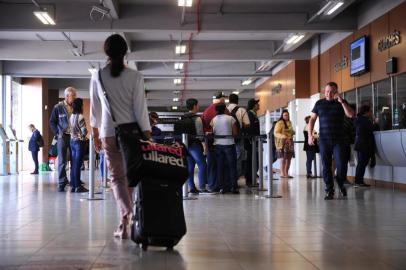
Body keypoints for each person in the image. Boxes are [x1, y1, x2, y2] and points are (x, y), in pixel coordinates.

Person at [90, 34, 151, 239]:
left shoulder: (97, 75)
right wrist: (147, 134)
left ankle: (125, 218)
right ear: (125, 52)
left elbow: (95, 109)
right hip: (131, 132)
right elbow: (140, 109)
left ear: (106, 52)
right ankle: (129, 216)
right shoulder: (135, 76)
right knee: (131, 177)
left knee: (116, 178)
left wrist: (95, 133)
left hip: (108, 132)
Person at [308, 82, 355, 200]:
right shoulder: (319, 103)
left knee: (342, 164)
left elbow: (350, 114)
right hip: (324, 139)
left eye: (332, 92)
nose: (329, 94)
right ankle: (329, 190)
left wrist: (341, 101)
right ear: (324, 92)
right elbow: (312, 119)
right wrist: (310, 135)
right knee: (326, 165)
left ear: (336, 92)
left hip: (340, 139)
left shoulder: (341, 103)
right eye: (327, 91)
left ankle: (340, 181)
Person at [49, 86, 77, 192]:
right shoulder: (58, 107)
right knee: (62, 161)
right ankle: (62, 182)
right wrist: (58, 132)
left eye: (75, 96)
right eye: (73, 96)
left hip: (74, 136)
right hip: (63, 136)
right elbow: (52, 122)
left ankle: (74, 181)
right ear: (66, 96)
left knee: (75, 159)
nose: (74, 98)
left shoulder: (75, 106)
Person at [201, 92, 229, 192]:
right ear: (221, 99)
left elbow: (203, 127)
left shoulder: (206, 111)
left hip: (209, 141)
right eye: (224, 99)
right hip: (223, 142)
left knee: (211, 164)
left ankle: (212, 185)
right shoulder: (224, 110)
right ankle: (223, 185)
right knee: (223, 164)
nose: (225, 101)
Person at [211, 103, 239, 194]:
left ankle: (222, 187)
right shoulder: (230, 118)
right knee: (232, 167)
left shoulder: (213, 120)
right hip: (229, 144)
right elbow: (235, 133)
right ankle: (233, 187)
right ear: (225, 109)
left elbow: (213, 132)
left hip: (218, 145)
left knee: (220, 167)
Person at [184, 98, 208, 193]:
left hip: (185, 144)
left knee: (190, 166)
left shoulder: (183, 117)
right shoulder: (197, 119)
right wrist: (204, 143)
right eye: (197, 105)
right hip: (195, 145)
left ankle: (192, 187)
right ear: (194, 106)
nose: (198, 106)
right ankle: (202, 187)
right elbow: (200, 134)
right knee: (202, 165)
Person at [227, 93, 250, 178]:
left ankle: (228, 177)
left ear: (229, 101)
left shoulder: (225, 109)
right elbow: (247, 124)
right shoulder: (241, 110)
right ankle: (236, 177)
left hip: (226, 138)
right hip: (238, 138)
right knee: (238, 157)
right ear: (237, 100)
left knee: (227, 157)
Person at [69, 98, 89, 193]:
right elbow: (84, 131)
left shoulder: (71, 116)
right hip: (79, 142)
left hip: (72, 141)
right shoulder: (80, 117)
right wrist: (85, 134)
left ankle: (73, 185)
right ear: (80, 106)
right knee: (78, 164)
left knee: (74, 164)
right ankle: (78, 186)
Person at [354, 105, 374, 187]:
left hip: (359, 144)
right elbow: (370, 131)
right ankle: (359, 181)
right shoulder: (366, 121)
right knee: (362, 163)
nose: (371, 113)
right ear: (366, 112)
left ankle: (358, 180)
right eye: (370, 111)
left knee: (360, 163)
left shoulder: (358, 120)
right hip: (364, 145)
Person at [274, 109, 295, 178]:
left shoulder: (290, 122)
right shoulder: (279, 123)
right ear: (282, 116)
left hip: (289, 142)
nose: (286, 116)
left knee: (289, 158)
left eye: (287, 115)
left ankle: (286, 173)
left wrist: (292, 132)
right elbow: (276, 133)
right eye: (285, 115)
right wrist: (284, 136)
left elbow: (291, 131)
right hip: (282, 143)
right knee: (283, 158)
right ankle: (282, 173)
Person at [244, 98, 260, 187]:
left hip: (254, 142)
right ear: (254, 105)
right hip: (251, 143)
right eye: (257, 104)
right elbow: (250, 129)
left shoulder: (253, 114)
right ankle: (249, 180)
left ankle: (251, 179)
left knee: (254, 161)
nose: (259, 105)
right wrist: (252, 140)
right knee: (251, 161)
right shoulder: (250, 114)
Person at [342, 104, 356, 184]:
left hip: (346, 143)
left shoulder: (345, 119)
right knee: (344, 161)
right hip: (347, 143)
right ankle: (343, 178)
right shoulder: (348, 120)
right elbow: (351, 131)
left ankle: (342, 178)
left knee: (344, 162)